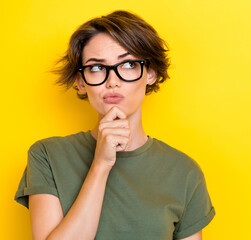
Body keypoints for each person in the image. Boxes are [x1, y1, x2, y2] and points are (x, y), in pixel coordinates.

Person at [14, 10, 215, 240]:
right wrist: (100, 165)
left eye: (128, 64)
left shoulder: (184, 172)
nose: (112, 81)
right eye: (97, 68)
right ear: (81, 82)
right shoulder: (47, 156)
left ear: (150, 73)